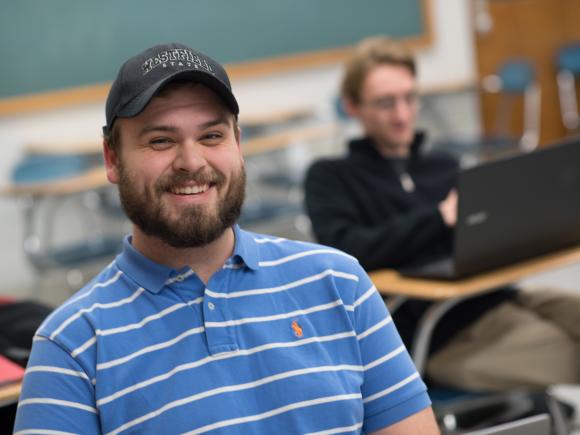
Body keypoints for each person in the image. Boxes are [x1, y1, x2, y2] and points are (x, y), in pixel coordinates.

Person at [14, 42, 439, 434]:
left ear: (237, 143)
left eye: (211, 136)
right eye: (160, 140)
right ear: (112, 159)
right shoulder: (70, 347)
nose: (192, 161)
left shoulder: (339, 284)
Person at [304, 36, 580, 392]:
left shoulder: (443, 166)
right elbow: (347, 249)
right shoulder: (332, 177)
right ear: (353, 107)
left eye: (409, 98)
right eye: (386, 103)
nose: (402, 115)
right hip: (439, 334)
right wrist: (438, 218)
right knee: (560, 349)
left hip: (497, 299)